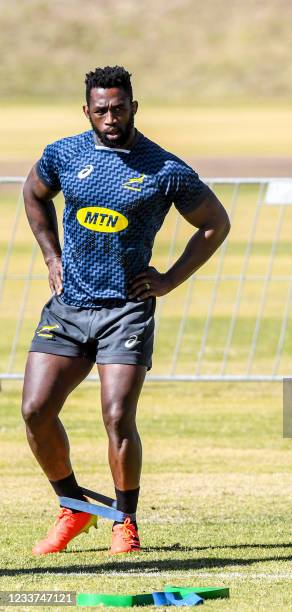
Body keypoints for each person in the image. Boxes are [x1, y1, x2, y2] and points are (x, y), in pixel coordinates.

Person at [22, 66, 230, 555]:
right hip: (69, 307)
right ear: (86, 112)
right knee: (34, 411)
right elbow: (33, 194)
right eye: (101, 110)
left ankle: (124, 520)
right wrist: (52, 256)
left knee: (117, 416)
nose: (110, 117)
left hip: (126, 312)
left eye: (119, 108)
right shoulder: (64, 153)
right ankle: (73, 506)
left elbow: (215, 224)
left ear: (134, 106)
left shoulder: (165, 169)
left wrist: (170, 280)